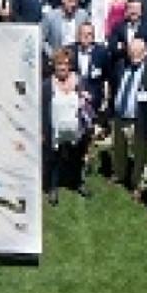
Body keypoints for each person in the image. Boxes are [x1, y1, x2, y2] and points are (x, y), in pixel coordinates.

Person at [111, 38, 147, 196]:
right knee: (119, 149)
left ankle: (137, 182)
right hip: (120, 117)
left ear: (146, 53)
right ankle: (120, 174)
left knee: (140, 153)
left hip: (140, 119)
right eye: (131, 52)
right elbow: (115, 87)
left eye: (138, 52)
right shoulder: (120, 66)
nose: (134, 55)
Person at [42, 51, 93, 206]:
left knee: (76, 157)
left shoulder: (79, 80)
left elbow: (87, 101)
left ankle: (78, 183)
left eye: (65, 64)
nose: (62, 67)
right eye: (59, 64)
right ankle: (53, 188)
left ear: (70, 65)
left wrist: (86, 98)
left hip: (75, 128)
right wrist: (43, 131)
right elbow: (43, 109)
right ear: (54, 66)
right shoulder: (47, 84)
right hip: (55, 130)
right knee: (54, 159)